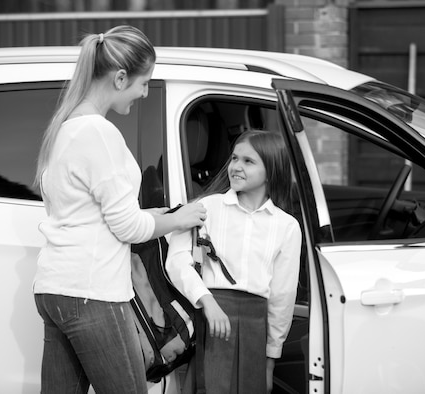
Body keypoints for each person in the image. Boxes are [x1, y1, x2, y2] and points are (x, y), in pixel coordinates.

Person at [33, 25, 206, 394]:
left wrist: (155, 216)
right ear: (120, 77)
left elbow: (89, 213)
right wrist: (179, 219)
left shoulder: (66, 128)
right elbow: (127, 228)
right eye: (143, 83)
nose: (145, 93)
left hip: (54, 289)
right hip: (91, 293)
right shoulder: (100, 133)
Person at [165, 130, 302, 394]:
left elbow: (282, 298)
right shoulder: (207, 207)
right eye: (234, 158)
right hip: (211, 317)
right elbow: (177, 261)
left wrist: (270, 360)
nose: (236, 167)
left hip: (255, 325)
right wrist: (207, 301)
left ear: (271, 169)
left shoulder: (287, 226)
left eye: (248, 161)